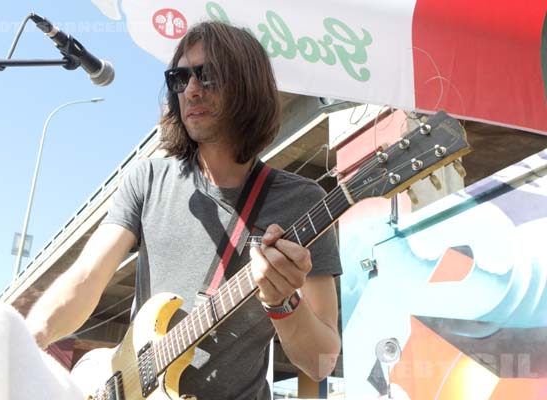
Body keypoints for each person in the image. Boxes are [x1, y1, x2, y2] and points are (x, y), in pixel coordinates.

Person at [26, 21, 342, 399]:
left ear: (248, 86)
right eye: (179, 78)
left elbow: (321, 362)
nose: (191, 90)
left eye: (208, 75)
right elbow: (86, 278)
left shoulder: (303, 201)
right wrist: (25, 342)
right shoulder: (147, 179)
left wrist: (284, 303)